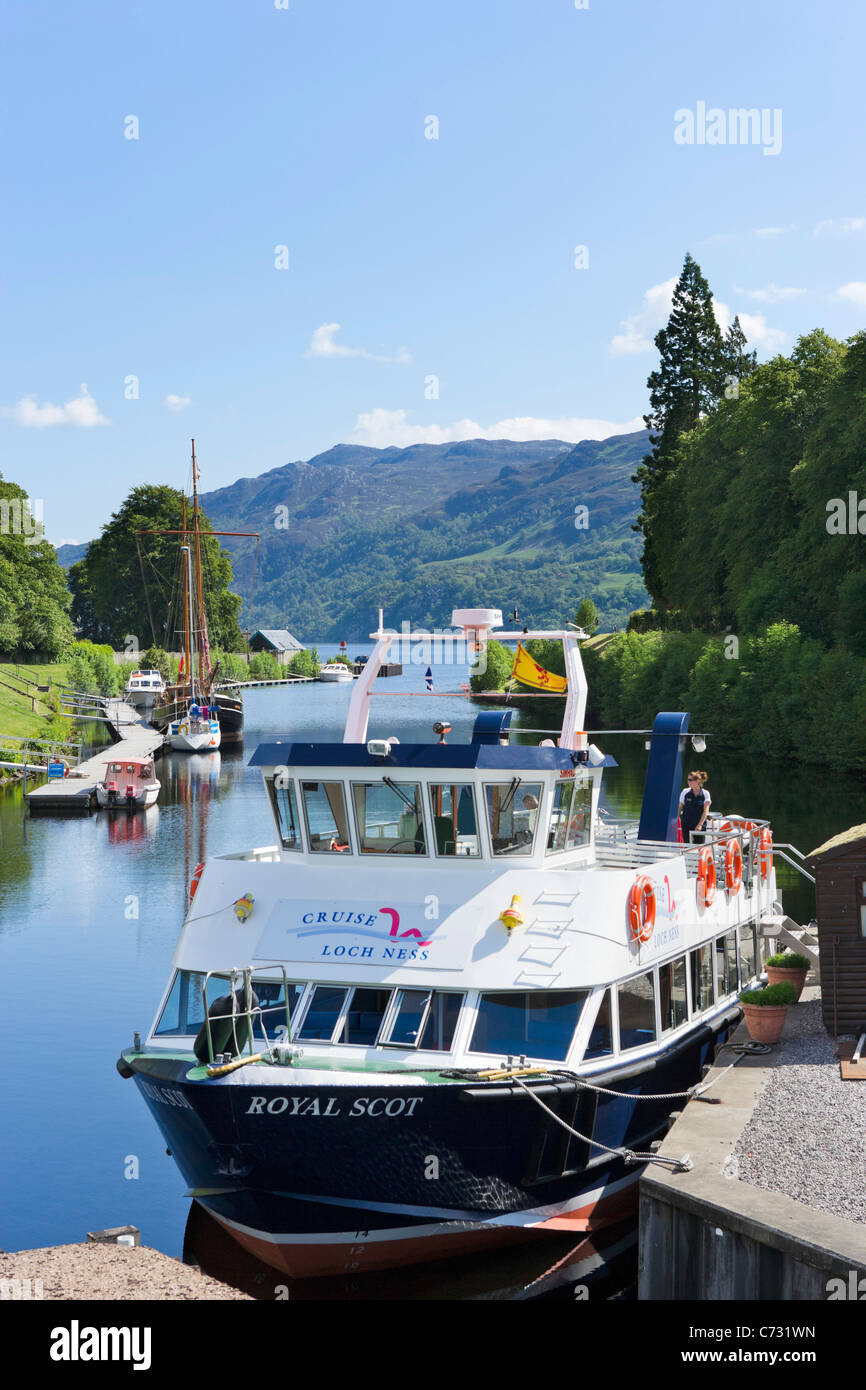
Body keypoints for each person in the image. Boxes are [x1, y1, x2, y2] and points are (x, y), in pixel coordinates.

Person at [679, 770, 710, 843]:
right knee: (687, 846)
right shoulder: (685, 792)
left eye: (690, 780)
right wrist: (676, 820)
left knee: (699, 847)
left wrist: (700, 825)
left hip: (699, 825)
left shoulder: (705, 793)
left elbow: (705, 811)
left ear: (697, 781)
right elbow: (679, 807)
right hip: (686, 824)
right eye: (688, 779)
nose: (688, 782)